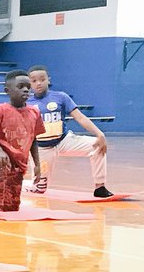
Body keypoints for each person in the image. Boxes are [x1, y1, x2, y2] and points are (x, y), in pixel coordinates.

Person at [26, 65, 113, 198]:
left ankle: (100, 186)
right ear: (29, 84)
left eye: (42, 79)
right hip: (42, 149)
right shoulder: (26, 103)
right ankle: (29, 184)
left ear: (48, 80)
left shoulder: (61, 97)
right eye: (34, 81)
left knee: (97, 145)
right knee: (39, 189)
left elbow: (80, 117)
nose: (38, 83)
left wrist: (99, 134)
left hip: (64, 140)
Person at [0, 70, 44, 212]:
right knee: (0, 167)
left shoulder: (34, 113)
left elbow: (33, 139)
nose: (25, 89)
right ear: (8, 90)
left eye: (27, 87)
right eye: (20, 87)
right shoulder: (0, 110)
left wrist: (37, 164)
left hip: (19, 162)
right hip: (0, 156)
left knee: (11, 206)